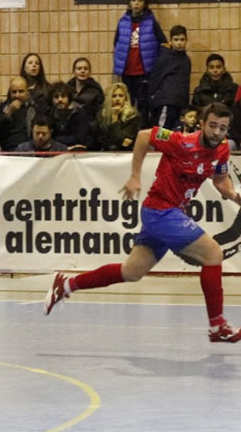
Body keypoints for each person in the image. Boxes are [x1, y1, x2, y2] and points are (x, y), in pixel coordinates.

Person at [45, 102, 241, 342]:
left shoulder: (221, 149)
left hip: (169, 214)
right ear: (202, 123)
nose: (217, 132)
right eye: (212, 126)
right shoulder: (180, 141)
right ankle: (217, 326)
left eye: (222, 128)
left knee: (132, 271)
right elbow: (143, 136)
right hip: (160, 211)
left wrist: (236, 196)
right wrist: (135, 176)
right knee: (213, 254)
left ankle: (65, 285)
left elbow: (221, 181)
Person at [113, 0, 167, 125]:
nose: (136, 3)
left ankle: (144, 131)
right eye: (133, 0)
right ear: (129, 3)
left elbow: (163, 43)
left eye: (140, 0)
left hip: (144, 71)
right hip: (127, 71)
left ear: (145, 3)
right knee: (127, 104)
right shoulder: (122, 22)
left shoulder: (151, 22)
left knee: (144, 104)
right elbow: (117, 43)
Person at [148, 25, 191, 130]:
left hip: (179, 103)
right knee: (162, 132)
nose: (179, 43)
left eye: (182, 39)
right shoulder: (164, 57)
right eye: (176, 40)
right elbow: (155, 79)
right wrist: (153, 98)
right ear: (170, 41)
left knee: (174, 133)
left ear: (186, 40)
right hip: (166, 101)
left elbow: (185, 83)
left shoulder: (186, 60)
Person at [95, 82, 141, 151]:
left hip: (125, 152)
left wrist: (115, 118)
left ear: (125, 98)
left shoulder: (132, 116)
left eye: (120, 96)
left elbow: (119, 139)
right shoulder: (102, 114)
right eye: (114, 96)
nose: (117, 99)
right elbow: (101, 139)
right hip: (105, 151)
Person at [0, 77, 36, 151]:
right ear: (9, 93)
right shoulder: (3, 106)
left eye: (21, 91)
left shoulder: (34, 107)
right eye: (14, 92)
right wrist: (9, 112)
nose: (17, 95)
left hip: (29, 150)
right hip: (7, 150)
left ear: (27, 92)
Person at [48, 81, 90, 150]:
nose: (60, 100)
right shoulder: (49, 114)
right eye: (56, 97)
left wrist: (55, 140)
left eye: (63, 96)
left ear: (69, 98)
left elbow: (80, 138)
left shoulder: (79, 113)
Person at [67, 57, 105, 121]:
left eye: (85, 69)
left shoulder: (96, 91)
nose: (82, 71)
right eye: (79, 69)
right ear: (74, 71)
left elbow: (99, 114)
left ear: (89, 72)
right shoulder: (67, 89)